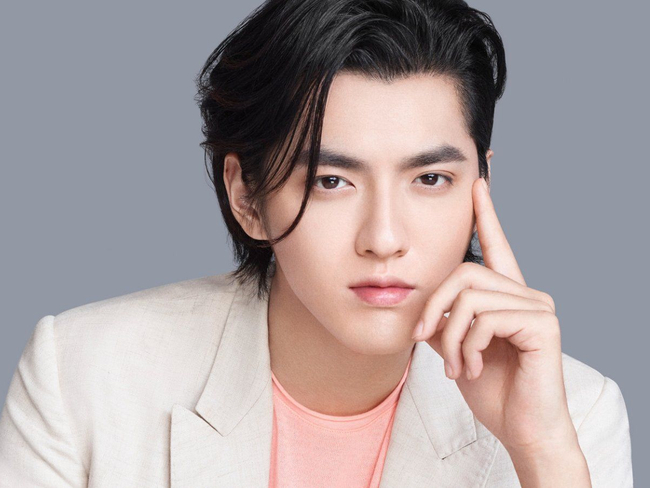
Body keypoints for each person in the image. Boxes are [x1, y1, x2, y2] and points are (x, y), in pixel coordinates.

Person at [0, 0, 633, 486]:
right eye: (332, 181)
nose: (384, 239)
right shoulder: (83, 378)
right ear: (247, 197)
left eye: (430, 179)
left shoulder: (572, 415)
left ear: (481, 186)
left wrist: (540, 451)